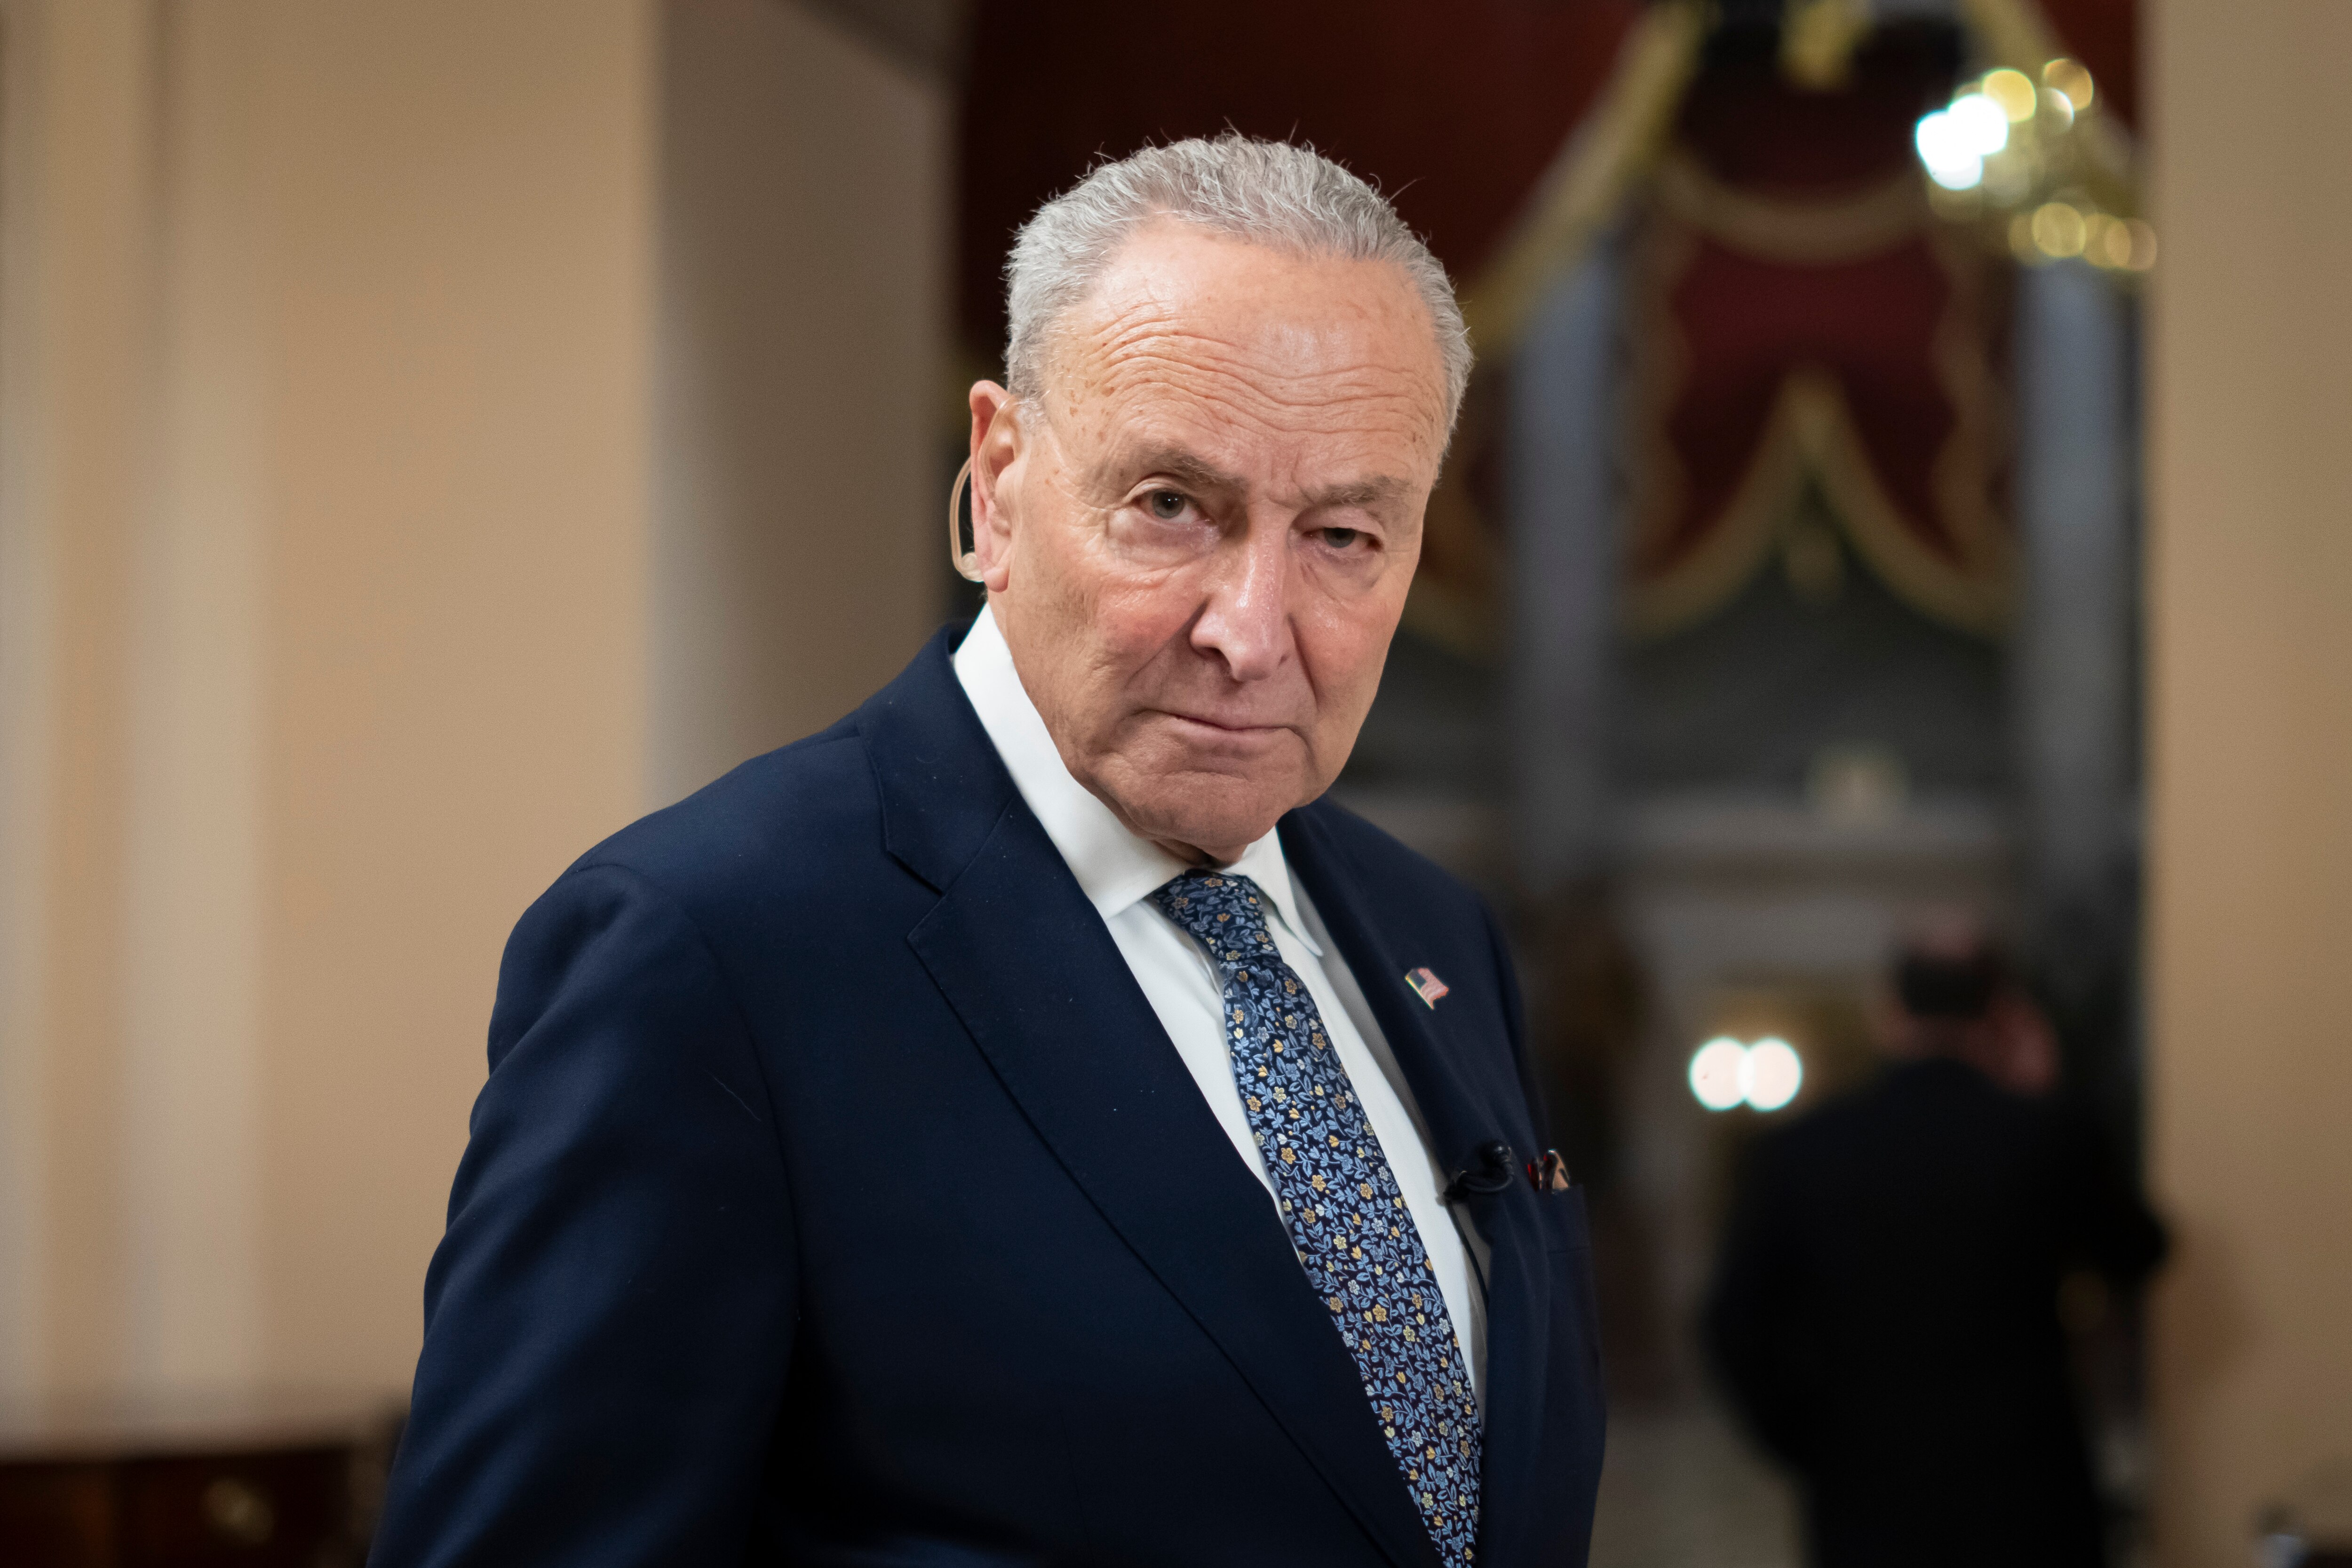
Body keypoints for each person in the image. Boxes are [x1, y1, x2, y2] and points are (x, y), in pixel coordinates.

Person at [370, 135, 1605, 1568]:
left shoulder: (1434, 931)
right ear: (1000, 476)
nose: (1252, 630)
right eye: (1172, 505)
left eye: (1342, 534)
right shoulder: (705, 954)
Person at [1703, 933, 2166, 1568]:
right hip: (2028, 1495)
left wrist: (1811, 1442)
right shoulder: (2048, 1137)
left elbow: (1733, 1324)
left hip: (1867, 1500)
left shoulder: (1803, 1150)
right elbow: (2139, 1252)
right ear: (2002, 1015)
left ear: (1889, 1011)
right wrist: (2049, 1093)